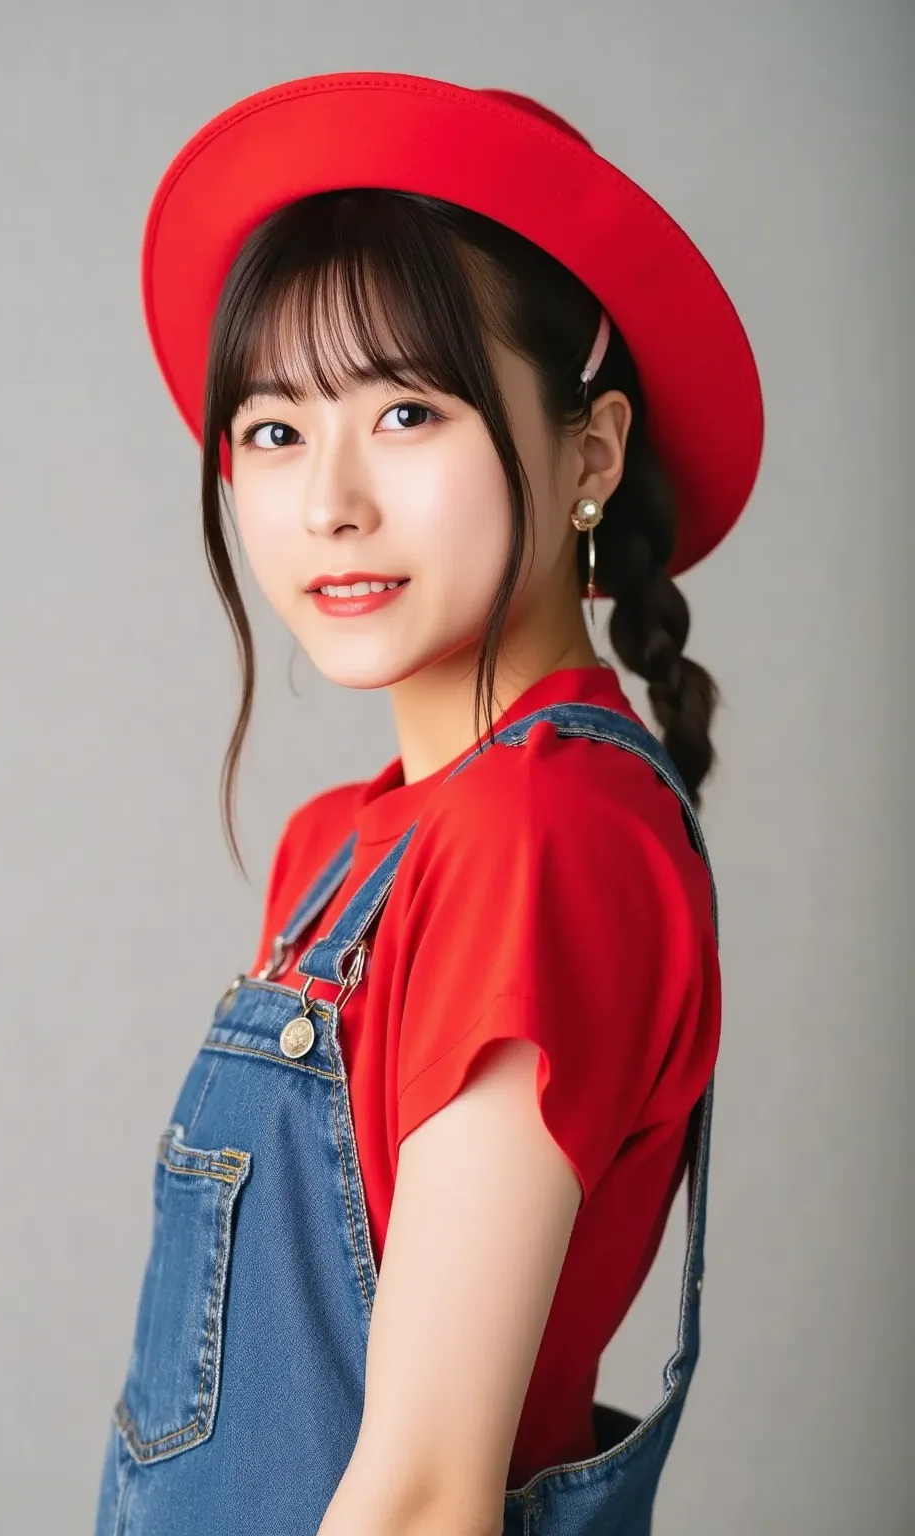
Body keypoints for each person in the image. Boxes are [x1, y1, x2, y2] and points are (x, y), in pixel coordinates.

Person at [94, 71, 763, 1536]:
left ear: (589, 452)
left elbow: (416, 1498)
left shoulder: (542, 835)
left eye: (405, 411)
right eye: (276, 429)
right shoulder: (339, 848)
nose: (330, 498)